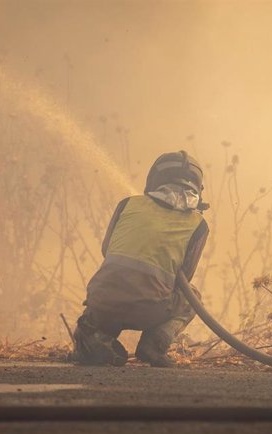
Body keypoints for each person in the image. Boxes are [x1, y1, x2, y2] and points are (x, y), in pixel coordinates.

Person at [72, 150, 209, 368]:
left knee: (110, 292)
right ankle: (153, 345)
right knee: (192, 297)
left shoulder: (128, 204)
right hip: (150, 311)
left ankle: (94, 338)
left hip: (103, 303)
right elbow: (185, 275)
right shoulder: (198, 225)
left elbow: (107, 249)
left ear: (153, 179)